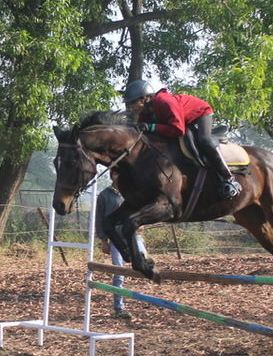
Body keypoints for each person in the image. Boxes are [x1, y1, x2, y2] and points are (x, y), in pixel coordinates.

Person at [123, 79, 242, 200]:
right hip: (182, 119)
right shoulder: (144, 114)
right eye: (128, 104)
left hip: (201, 113)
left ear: (146, 99)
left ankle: (229, 179)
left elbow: (178, 130)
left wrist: (152, 127)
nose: (130, 107)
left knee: (204, 140)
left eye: (133, 103)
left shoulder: (165, 102)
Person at [95, 179, 146, 319]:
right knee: (118, 273)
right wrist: (103, 241)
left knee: (143, 257)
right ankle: (119, 308)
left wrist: (142, 222)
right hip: (115, 239)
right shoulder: (104, 196)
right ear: (113, 176)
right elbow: (99, 220)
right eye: (118, 174)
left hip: (133, 235)